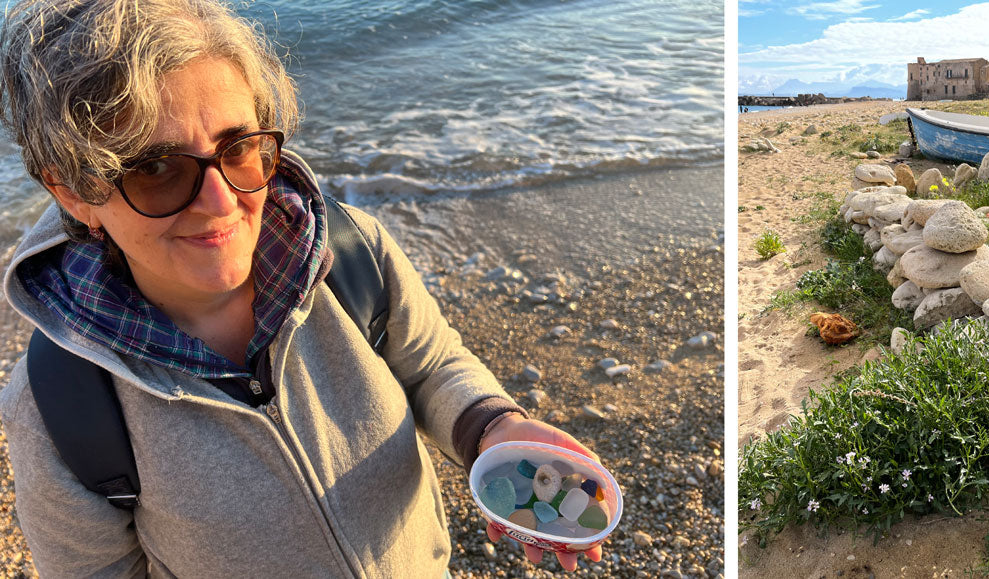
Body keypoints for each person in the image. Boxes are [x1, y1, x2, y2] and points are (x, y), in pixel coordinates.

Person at [0, 0, 604, 575]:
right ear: (73, 192)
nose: (221, 201)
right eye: (156, 170)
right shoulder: (60, 402)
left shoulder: (349, 255)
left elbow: (431, 368)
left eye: (238, 148)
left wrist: (491, 430)